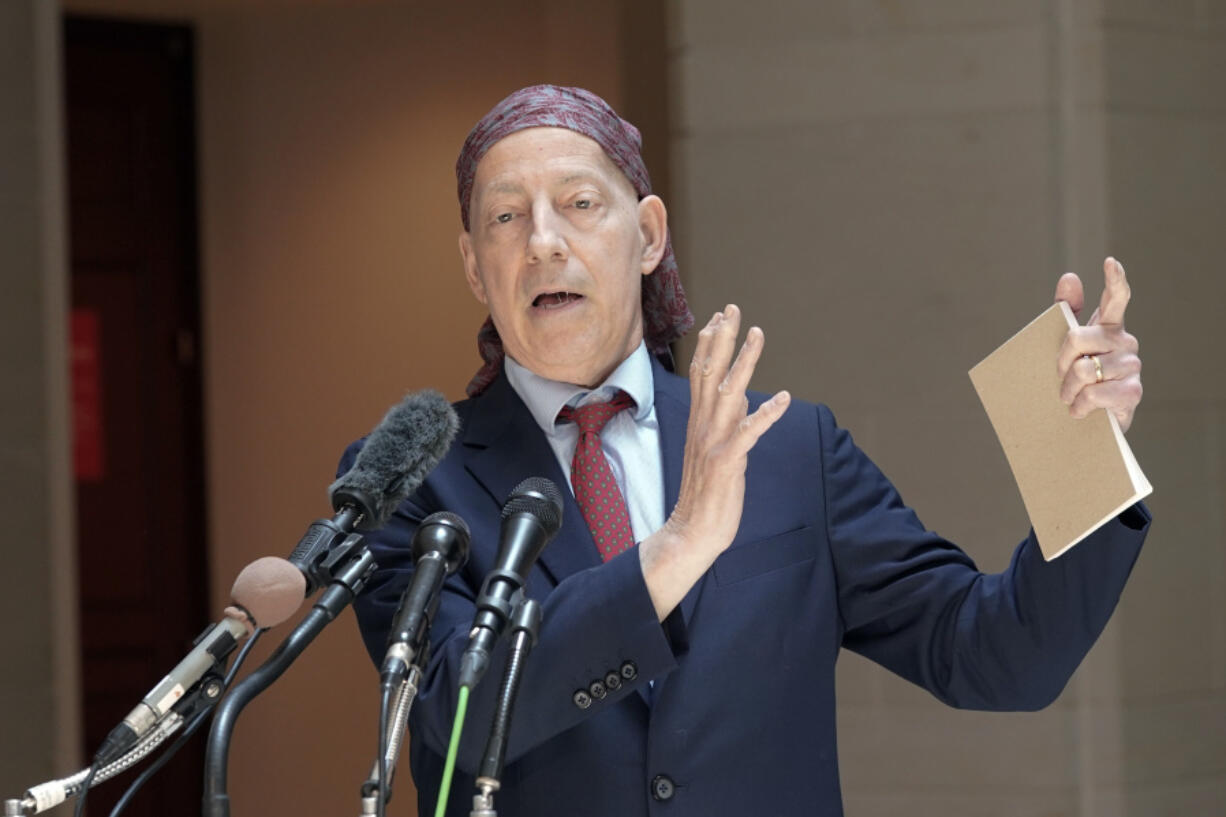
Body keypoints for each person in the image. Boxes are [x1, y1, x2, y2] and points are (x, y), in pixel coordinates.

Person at [343, 85, 1150, 817]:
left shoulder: (791, 449)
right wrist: (677, 548)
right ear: (475, 269)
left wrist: (1077, 451)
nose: (544, 242)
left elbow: (998, 658)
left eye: (580, 202)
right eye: (506, 217)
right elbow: (455, 713)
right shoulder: (412, 478)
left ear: (650, 233)